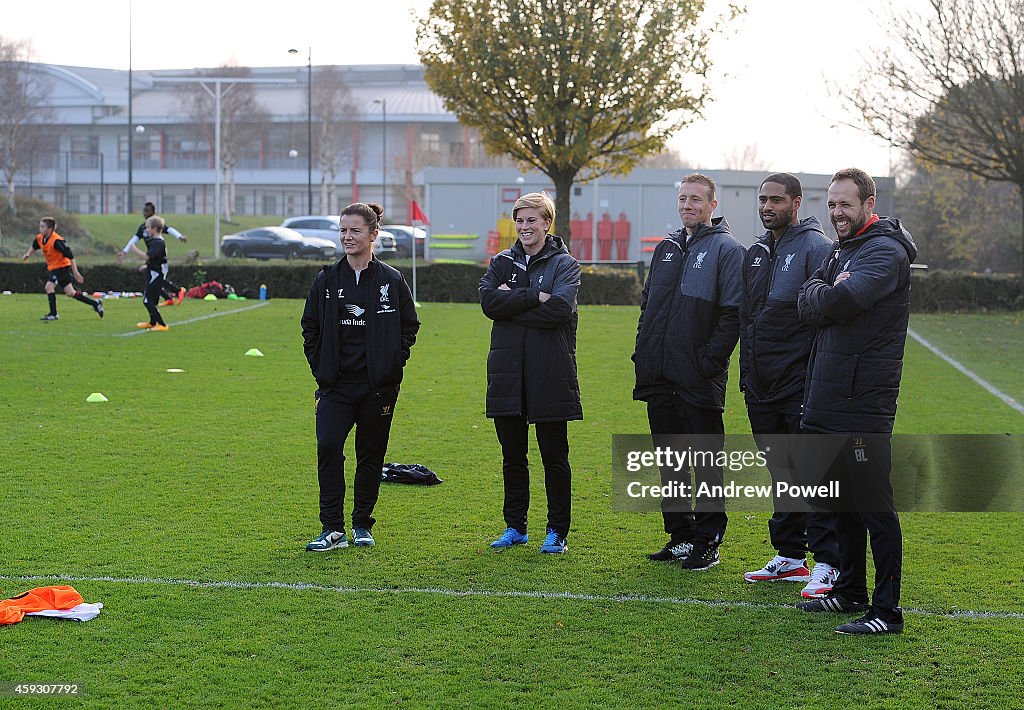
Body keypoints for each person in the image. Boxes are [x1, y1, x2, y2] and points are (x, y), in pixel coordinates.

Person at [795, 168, 916, 635]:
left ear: (869, 202)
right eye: (831, 204)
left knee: (873, 506)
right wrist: (824, 290)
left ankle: (887, 611)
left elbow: (841, 301)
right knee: (839, 499)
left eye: (845, 204)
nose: (836, 213)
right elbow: (809, 303)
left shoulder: (885, 251)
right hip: (826, 394)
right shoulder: (841, 251)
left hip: (862, 399)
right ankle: (849, 592)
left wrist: (825, 292)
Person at [633, 174, 745, 571]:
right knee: (672, 458)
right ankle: (680, 535)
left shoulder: (728, 250)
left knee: (706, 460)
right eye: (683, 199)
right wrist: (641, 354)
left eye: (696, 199)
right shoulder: (665, 248)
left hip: (698, 377)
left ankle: (708, 539)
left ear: (713, 205)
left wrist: (708, 363)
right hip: (659, 373)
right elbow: (648, 307)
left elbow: (733, 314)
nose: (687, 205)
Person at [739, 173, 840, 598]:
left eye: (776, 200)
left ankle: (830, 563)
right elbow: (749, 317)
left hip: (798, 382)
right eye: (763, 199)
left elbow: (825, 313)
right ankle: (790, 557)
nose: (767, 206)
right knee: (781, 473)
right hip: (759, 382)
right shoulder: (758, 250)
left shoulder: (816, 247)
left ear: (796, 203)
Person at [300, 202, 419, 551]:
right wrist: (320, 366)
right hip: (336, 386)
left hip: (377, 388)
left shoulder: (391, 280)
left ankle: (362, 525)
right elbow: (310, 327)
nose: (347, 237)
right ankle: (332, 528)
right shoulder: (326, 280)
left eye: (354, 230)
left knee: (370, 456)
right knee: (328, 447)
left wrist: (393, 362)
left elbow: (409, 325)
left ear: (373, 234)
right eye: (343, 230)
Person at [480, 191, 582, 554]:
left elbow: (558, 311)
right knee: (512, 457)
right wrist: (532, 296)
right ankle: (515, 526)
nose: (524, 226)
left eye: (532, 220)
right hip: (508, 374)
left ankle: (557, 531)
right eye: (520, 220)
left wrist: (513, 299)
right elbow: (489, 303)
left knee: (554, 457)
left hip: (549, 373)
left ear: (547, 223)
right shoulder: (501, 261)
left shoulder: (565, 265)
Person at [21, 217, 103, 321]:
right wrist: (28, 254)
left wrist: (76, 272)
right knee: (70, 292)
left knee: (49, 287)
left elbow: (70, 256)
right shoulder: (40, 238)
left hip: (62, 268)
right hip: (54, 267)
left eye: (42, 226)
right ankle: (95, 303)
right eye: (40, 226)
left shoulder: (57, 241)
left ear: (50, 229)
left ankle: (53, 314)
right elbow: (34, 246)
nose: (40, 228)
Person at [117, 202, 188, 306]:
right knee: (151, 279)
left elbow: (169, 229)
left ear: (153, 212)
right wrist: (124, 251)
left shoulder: (156, 224)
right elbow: (134, 238)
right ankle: (168, 298)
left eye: (147, 211)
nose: (145, 213)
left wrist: (179, 236)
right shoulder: (143, 227)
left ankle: (178, 291)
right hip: (151, 254)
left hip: (158, 254)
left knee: (157, 278)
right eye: (144, 211)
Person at [130, 215, 171, 331]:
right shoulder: (155, 242)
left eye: (148, 227)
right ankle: (153, 323)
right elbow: (154, 259)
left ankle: (162, 325)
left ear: (154, 228)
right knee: (152, 299)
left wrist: (134, 249)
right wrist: (146, 266)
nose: (146, 230)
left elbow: (148, 256)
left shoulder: (157, 242)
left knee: (147, 300)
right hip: (153, 271)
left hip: (157, 274)